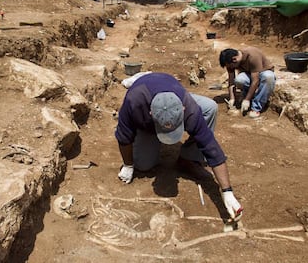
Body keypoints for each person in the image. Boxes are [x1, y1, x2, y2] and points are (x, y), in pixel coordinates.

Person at [115, 72, 243, 221]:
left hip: (172, 89)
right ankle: (146, 133)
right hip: (145, 109)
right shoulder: (133, 103)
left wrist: (227, 191)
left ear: (182, 110)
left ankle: (188, 158)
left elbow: (211, 148)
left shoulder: (189, 108)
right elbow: (124, 138)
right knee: (143, 165)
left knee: (210, 107)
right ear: (150, 113)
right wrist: (128, 165)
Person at [219, 46, 276, 118]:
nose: (230, 68)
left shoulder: (252, 56)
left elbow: (255, 81)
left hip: (263, 72)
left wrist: (247, 100)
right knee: (239, 80)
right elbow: (231, 80)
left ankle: (256, 107)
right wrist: (232, 98)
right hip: (249, 74)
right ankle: (247, 95)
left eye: (230, 66)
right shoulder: (230, 61)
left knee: (268, 77)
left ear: (234, 59)